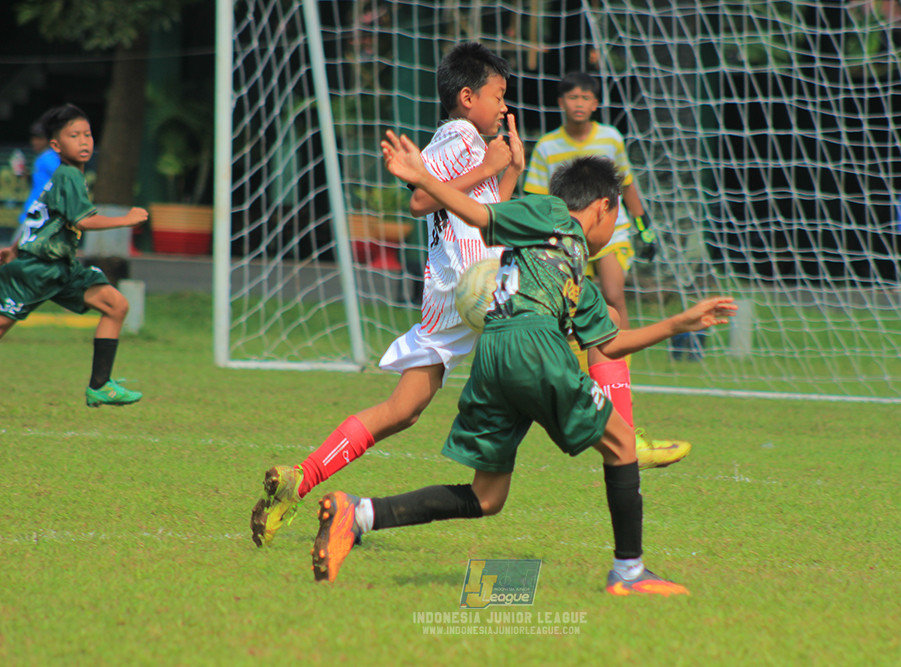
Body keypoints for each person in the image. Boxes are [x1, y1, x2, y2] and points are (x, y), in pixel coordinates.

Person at [311, 138, 736, 596]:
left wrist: (680, 322)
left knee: (487, 497)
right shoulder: (550, 214)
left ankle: (358, 514)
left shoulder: (575, 277)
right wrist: (423, 179)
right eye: (615, 222)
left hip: (494, 354)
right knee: (622, 442)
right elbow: (481, 216)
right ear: (603, 206)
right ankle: (629, 572)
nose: (613, 232)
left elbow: (610, 344)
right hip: (532, 347)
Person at [250, 41, 524, 547]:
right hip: (476, 283)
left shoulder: (472, 144)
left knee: (405, 409)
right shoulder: (460, 135)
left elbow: (473, 211)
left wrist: (507, 174)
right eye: (498, 95)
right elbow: (422, 197)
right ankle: (619, 431)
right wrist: (489, 166)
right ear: (466, 97)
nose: (505, 107)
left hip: (456, 291)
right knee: (577, 313)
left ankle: (299, 479)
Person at [523, 71, 687, 467]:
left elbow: (626, 183)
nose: (579, 103)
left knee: (613, 294)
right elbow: (533, 195)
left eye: (585, 97)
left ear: (595, 103)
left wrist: (643, 222)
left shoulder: (611, 138)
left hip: (611, 233)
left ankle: (618, 362)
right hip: (568, 234)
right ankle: (590, 363)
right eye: (572, 96)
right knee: (574, 304)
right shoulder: (547, 146)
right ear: (561, 102)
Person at [0, 104, 148, 407]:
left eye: (88, 135)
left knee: (115, 305)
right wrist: (127, 219)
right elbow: (83, 221)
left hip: (61, 267)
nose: (84, 141)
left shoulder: (65, 177)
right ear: (56, 145)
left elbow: (38, 215)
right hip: (37, 269)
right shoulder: (68, 176)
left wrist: (13, 248)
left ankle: (99, 385)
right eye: (73, 135)